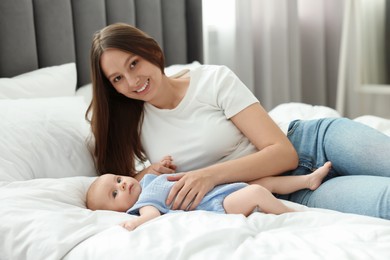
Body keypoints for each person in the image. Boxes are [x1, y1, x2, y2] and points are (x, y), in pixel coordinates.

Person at [86, 22, 390, 220]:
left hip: (314, 143)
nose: (133, 80)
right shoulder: (132, 124)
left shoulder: (212, 79)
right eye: (117, 78)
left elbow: (284, 153)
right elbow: (118, 183)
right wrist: (145, 173)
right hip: (286, 189)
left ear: (151, 51)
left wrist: (209, 176)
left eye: (134, 63)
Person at [86, 161, 332, 231]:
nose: (123, 185)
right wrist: (135, 222)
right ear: (117, 210)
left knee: (263, 183)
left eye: (118, 179)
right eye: (115, 193)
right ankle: (292, 216)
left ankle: (307, 180)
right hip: (216, 203)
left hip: (217, 188)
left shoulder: (148, 181)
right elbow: (150, 215)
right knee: (256, 192)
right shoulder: (142, 204)